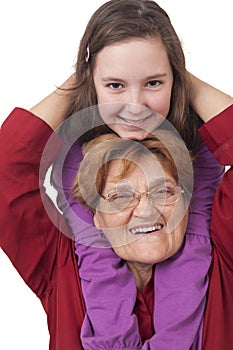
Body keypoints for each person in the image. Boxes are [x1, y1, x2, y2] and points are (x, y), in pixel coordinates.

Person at [0, 82, 232, 350]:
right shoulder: (60, 268)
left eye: (163, 191)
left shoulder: (223, 260)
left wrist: (182, 81)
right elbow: (6, 170)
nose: (146, 211)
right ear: (95, 216)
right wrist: (86, 78)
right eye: (121, 197)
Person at [49, 0, 224, 348]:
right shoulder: (75, 148)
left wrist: (181, 75)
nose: (136, 105)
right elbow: (95, 255)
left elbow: (194, 246)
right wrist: (82, 75)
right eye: (115, 85)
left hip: (187, 283)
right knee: (97, 255)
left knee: (189, 253)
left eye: (154, 83)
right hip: (105, 294)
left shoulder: (198, 144)